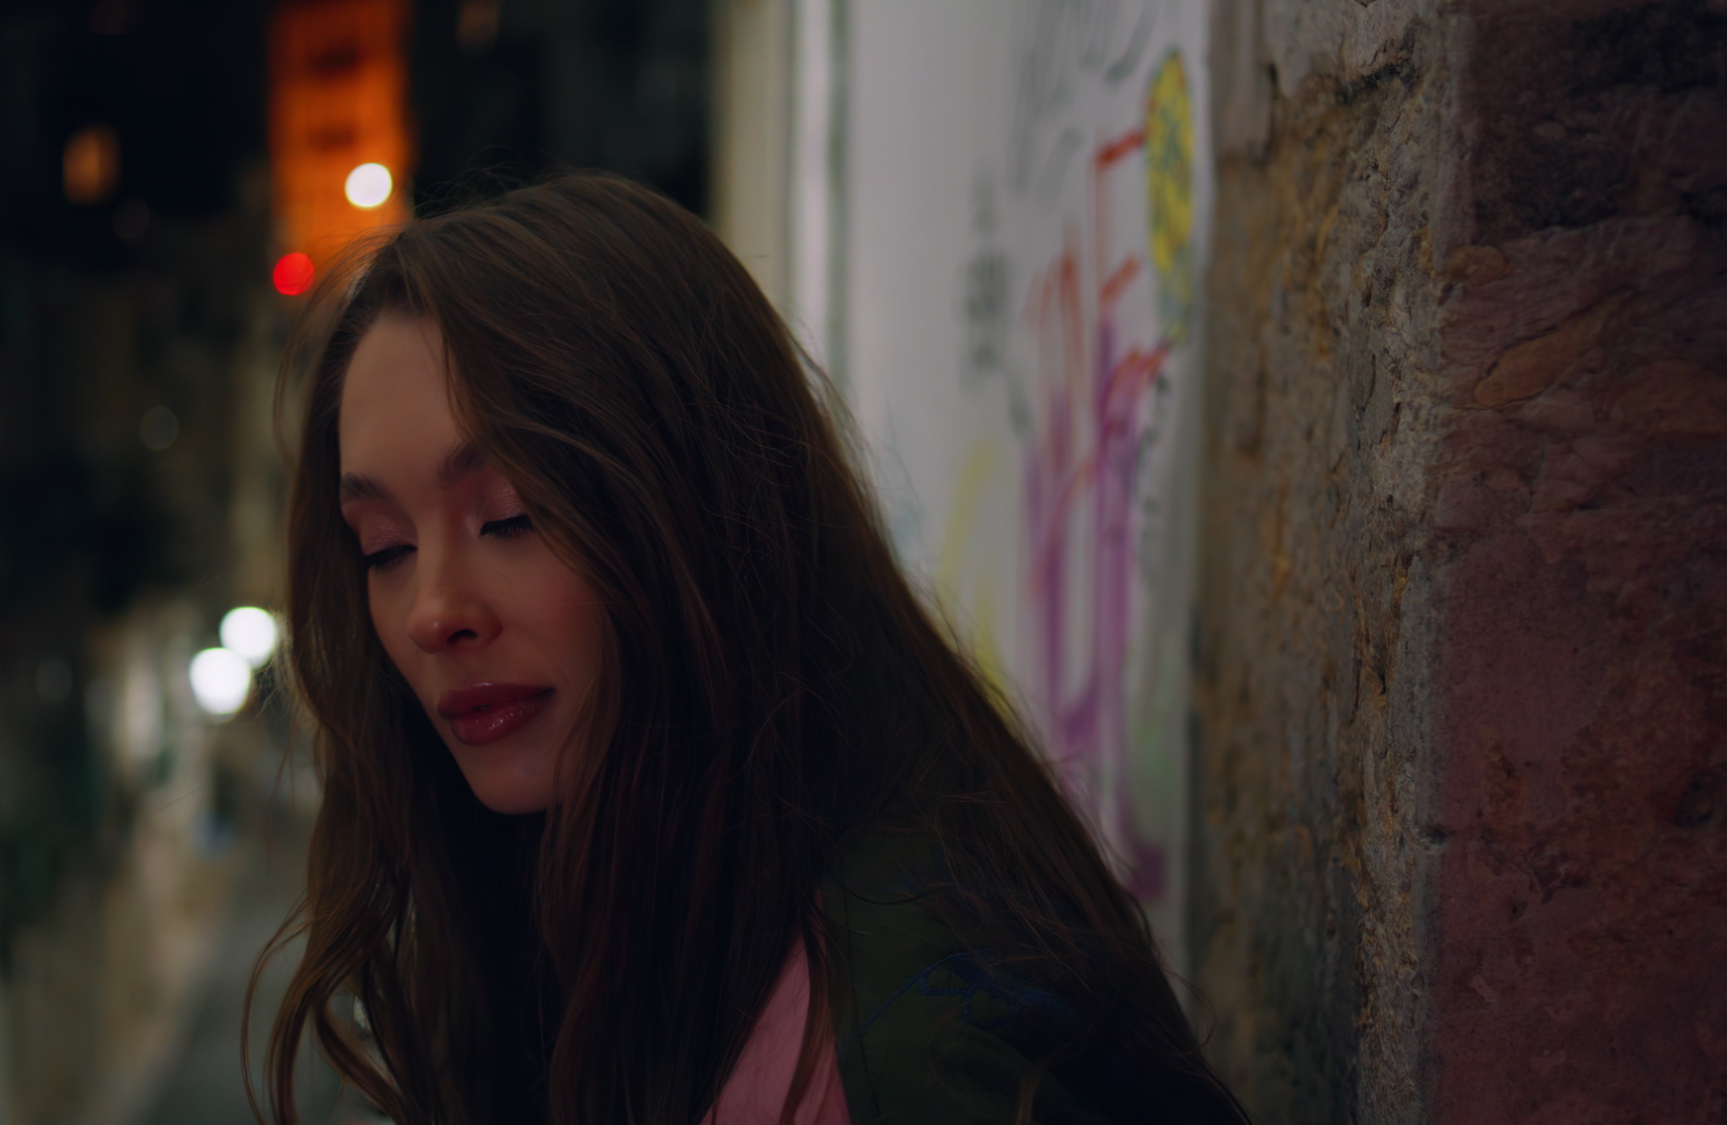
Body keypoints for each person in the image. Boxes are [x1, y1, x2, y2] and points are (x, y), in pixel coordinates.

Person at [257, 172, 1249, 1125]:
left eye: (512, 516)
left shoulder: (914, 1047)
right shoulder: (597, 925)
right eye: (383, 546)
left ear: (704, 514)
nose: (432, 610)